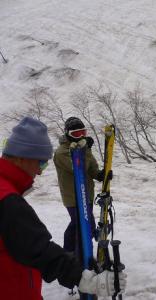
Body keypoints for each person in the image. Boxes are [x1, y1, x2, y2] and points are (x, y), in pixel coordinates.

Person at [0, 116, 126, 299]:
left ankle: (73, 253)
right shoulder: (8, 199)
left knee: (77, 226)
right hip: (73, 198)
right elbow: (38, 249)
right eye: (40, 162)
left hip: (14, 287)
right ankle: (74, 253)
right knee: (80, 226)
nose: (40, 171)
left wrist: (98, 171)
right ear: (21, 157)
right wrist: (83, 279)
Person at [53, 117, 105, 252]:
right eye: (76, 134)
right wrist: (86, 149)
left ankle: (83, 252)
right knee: (79, 225)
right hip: (73, 197)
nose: (80, 136)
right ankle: (70, 254)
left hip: (86, 195)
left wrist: (99, 175)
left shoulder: (81, 147)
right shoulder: (62, 152)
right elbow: (78, 168)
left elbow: (90, 166)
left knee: (85, 225)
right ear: (68, 134)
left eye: (83, 132)